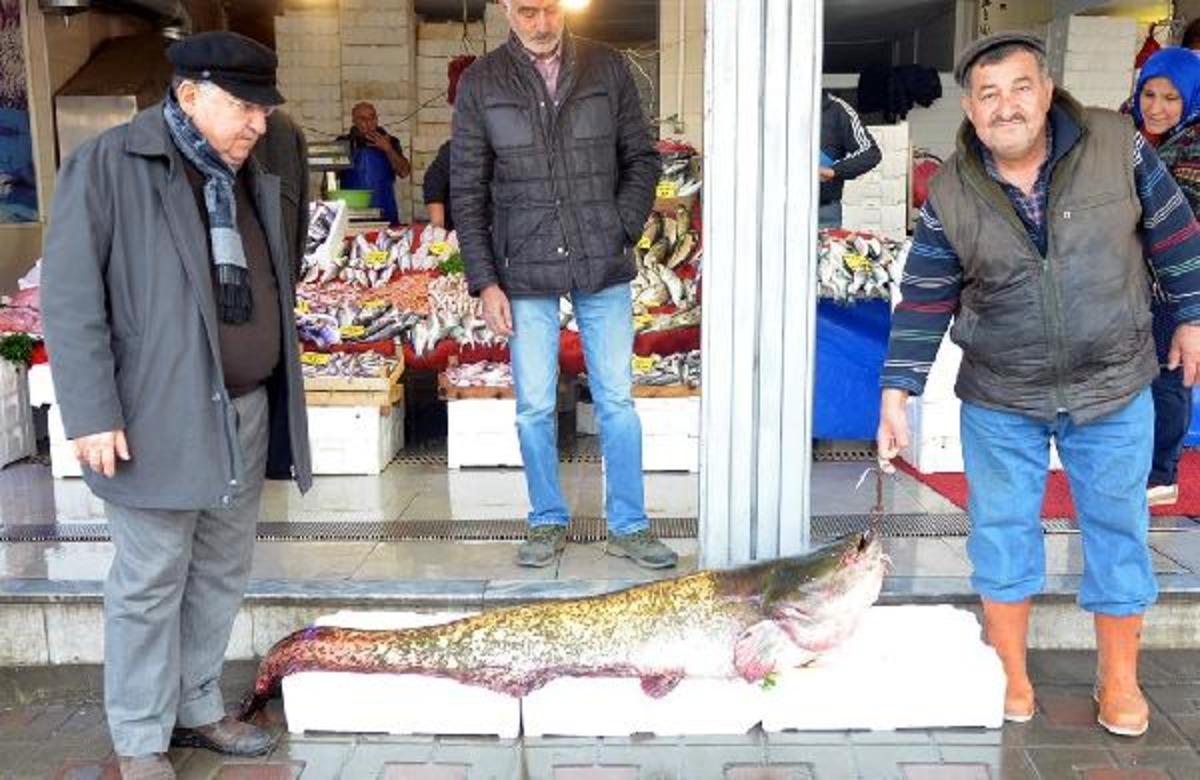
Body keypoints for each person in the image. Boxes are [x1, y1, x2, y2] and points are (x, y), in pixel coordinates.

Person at [876, 32, 1200, 737]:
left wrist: (1193, 316)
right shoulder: (954, 188)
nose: (1006, 106)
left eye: (1020, 87)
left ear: (1046, 91)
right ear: (969, 107)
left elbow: (1175, 233)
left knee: (1117, 531)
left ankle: (1119, 681)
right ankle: (1011, 677)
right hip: (1002, 393)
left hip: (1113, 382)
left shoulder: (1118, 144)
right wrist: (897, 390)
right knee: (1000, 534)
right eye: (989, 95)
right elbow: (926, 291)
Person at [40, 32, 313, 779]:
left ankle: (196, 706)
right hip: (154, 414)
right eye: (244, 108)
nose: (258, 124)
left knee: (222, 569)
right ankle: (137, 735)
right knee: (151, 576)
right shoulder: (108, 164)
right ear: (188, 96)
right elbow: (68, 301)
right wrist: (91, 411)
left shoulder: (258, 165)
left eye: (264, 109)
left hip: (245, 409)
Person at [452, 0, 674, 570]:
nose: (543, 24)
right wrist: (484, 281)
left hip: (601, 260)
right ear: (504, 8)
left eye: (551, 8)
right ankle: (546, 519)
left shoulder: (608, 67)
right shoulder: (481, 82)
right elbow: (468, 189)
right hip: (521, 266)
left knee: (618, 401)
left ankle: (629, 524)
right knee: (532, 406)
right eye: (527, 12)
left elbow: (642, 158)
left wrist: (620, 225)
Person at [1130, 48, 1200, 506]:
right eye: (1149, 94)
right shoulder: (1127, 134)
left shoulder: (1194, 143)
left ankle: (1160, 473)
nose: (1157, 107)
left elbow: (1185, 218)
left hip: (1177, 281)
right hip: (1133, 280)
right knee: (1140, 375)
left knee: (1168, 373)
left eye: (1172, 98)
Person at [337, 101, 411, 225]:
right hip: (352, 216)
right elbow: (329, 181)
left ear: (377, 119)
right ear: (354, 121)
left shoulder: (391, 141)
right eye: (362, 119)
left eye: (372, 117)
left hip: (385, 214)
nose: (368, 122)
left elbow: (404, 172)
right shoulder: (343, 143)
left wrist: (388, 149)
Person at [818, 92, 882, 228]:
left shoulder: (837, 109)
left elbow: (870, 152)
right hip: (770, 208)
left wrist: (833, 171)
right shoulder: (769, 105)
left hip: (823, 211)